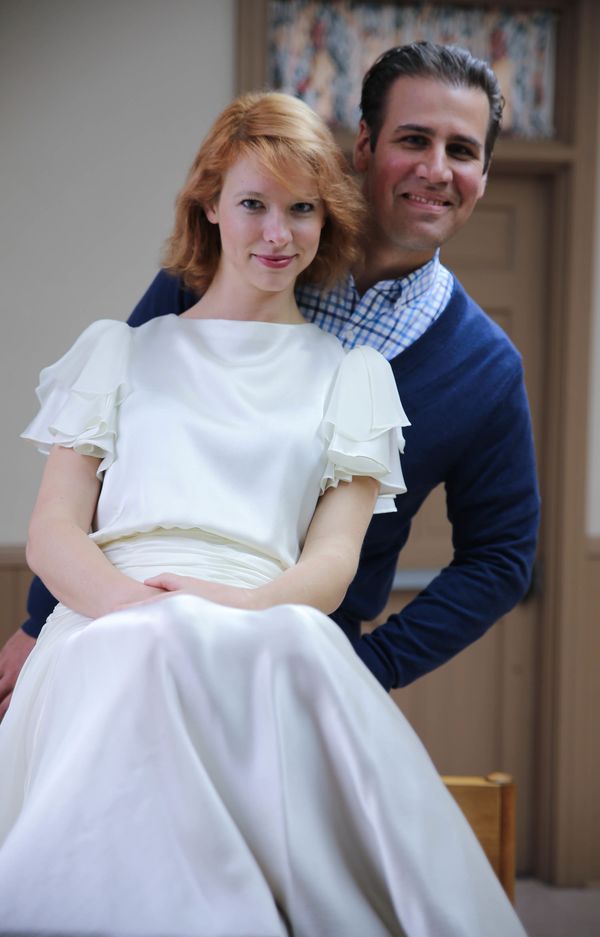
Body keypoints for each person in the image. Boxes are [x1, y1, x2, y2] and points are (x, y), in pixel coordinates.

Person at [0, 91, 525, 936]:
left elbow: (334, 558)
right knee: (139, 651)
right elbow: (55, 527)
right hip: (106, 615)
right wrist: (140, 609)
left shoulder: (354, 377)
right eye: (253, 204)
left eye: (302, 210)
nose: (277, 234)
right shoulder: (121, 349)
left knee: (252, 650)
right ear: (209, 205)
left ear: (327, 218)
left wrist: (228, 610)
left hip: (265, 614)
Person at [0, 41, 539, 713]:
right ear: (364, 146)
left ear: (485, 174)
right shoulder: (233, 264)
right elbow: (111, 449)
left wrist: (367, 665)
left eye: (462, 151)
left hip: (298, 663)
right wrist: (38, 621)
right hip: (123, 632)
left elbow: (500, 559)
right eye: (413, 139)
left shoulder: (484, 367)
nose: (436, 169)